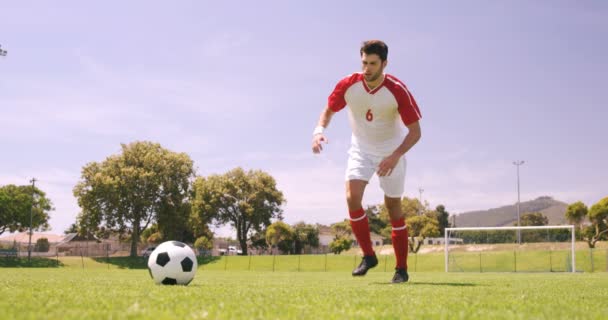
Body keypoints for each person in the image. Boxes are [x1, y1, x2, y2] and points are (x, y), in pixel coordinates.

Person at [311, 40, 422, 283]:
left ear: (384, 63)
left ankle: (401, 269)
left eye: (373, 64)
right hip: (360, 149)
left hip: (391, 152)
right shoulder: (349, 84)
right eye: (364, 63)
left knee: (393, 207)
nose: (367, 69)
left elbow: (415, 132)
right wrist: (318, 130)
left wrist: (394, 156)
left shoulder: (397, 90)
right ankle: (369, 256)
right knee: (352, 197)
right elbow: (329, 110)